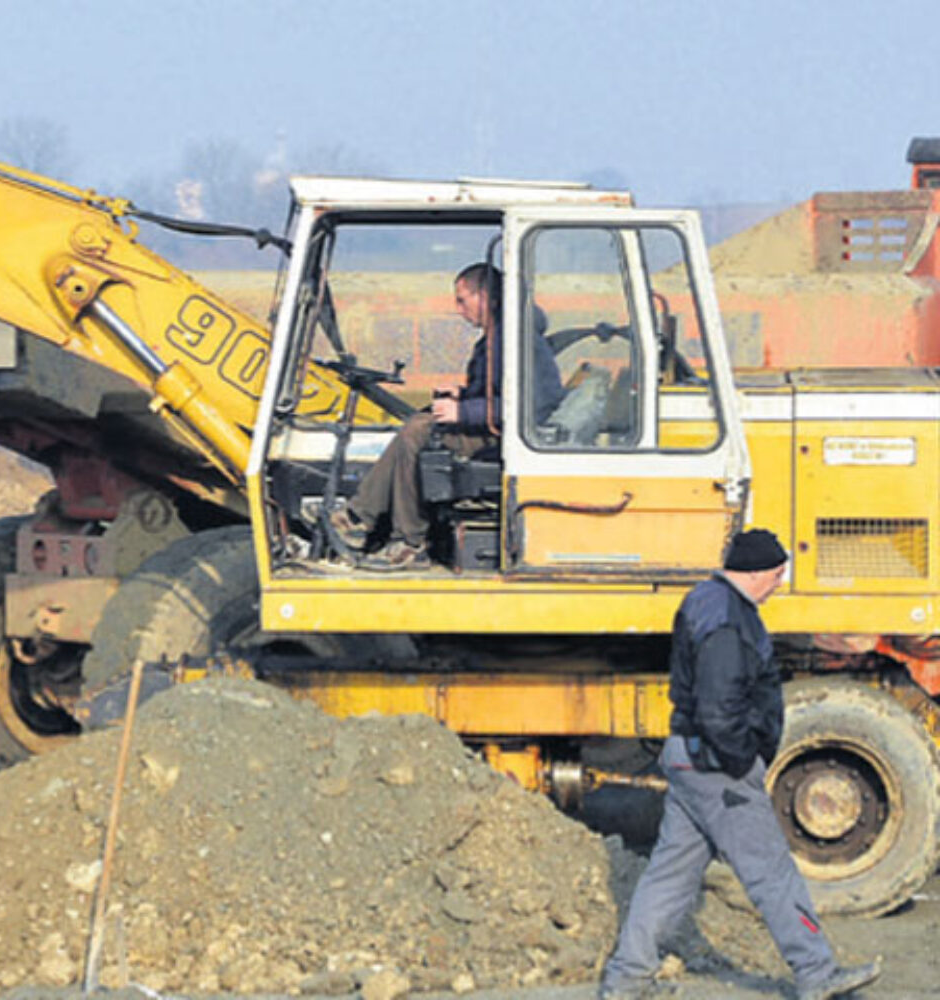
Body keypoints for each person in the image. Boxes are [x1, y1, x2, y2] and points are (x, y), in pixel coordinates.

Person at [598, 529, 881, 1000]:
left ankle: (627, 980)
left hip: (688, 758)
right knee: (771, 871)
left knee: (669, 876)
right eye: (777, 574)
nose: (779, 583)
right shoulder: (729, 620)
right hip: (717, 768)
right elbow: (720, 703)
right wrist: (739, 759)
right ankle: (816, 973)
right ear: (756, 571)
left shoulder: (704, 600)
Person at [333, 262, 563, 568]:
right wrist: (462, 394)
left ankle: (406, 539)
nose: (458, 309)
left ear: (486, 297)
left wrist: (463, 411)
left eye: (462, 300)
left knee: (417, 431)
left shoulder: (517, 339)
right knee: (419, 423)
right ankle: (361, 516)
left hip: (506, 437)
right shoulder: (500, 335)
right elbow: (499, 390)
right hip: (494, 427)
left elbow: (531, 403)